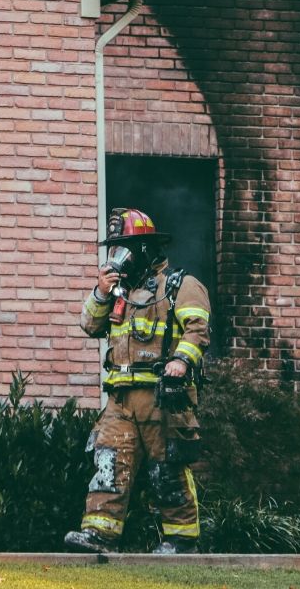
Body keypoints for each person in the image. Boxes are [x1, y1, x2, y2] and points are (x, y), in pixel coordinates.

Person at [63, 208, 211, 555]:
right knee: (108, 463)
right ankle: (99, 536)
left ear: (145, 248)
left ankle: (180, 541)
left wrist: (180, 359)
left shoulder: (180, 286)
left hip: (162, 399)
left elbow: (198, 330)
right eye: (115, 249)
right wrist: (101, 293)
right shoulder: (119, 293)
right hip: (120, 400)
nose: (118, 257)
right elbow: (89, 325)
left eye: (125, 248)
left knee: (167, 470)